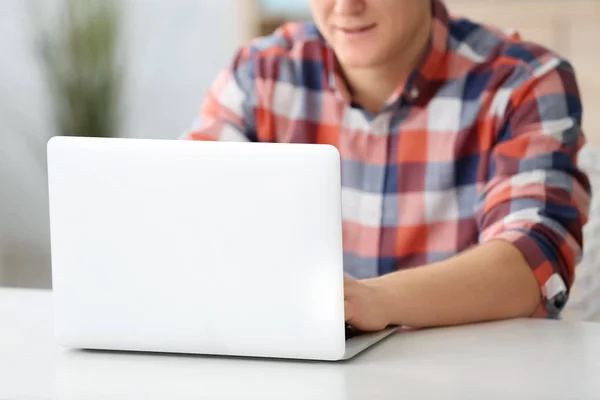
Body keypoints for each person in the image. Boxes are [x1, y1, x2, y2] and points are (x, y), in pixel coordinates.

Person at [183, 0, 591, 331]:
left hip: (469, 377)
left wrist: (375, 300)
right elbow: (182, 222)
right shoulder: (257, 75)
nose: (345, 7)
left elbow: (533, 260)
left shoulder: (526, 82)